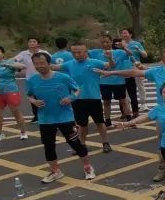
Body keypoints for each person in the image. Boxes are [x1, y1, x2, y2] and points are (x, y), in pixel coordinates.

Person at [25, 53, 95, 183]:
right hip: (45, 118)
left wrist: (70, 98)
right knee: (48, 146)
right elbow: (28, 95)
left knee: (75, 143)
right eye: (36, 64)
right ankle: (56, 171)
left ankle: (88, 167)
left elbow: (77, 89)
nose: (40, 66)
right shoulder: (32, 80)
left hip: (65, 117)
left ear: (49, 63)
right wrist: (34, 101)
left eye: (42, 63)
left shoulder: (63, 77)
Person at [59, 41, 112, 152]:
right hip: (77, 99)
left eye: (79, 52)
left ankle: (105, 143)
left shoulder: (94, 62)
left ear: (86, 52)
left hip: (94, 98)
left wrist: (110, 58)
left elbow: (110, 65)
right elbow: (54, 67)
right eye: (74, 53)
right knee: (82, 125)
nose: (76, 55)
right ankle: (81, 145)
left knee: (99, 122)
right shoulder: (69, 64)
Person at [0, 45, 29, 140]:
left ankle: (23, 132)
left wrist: (8, 64)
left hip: (10, 90)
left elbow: (23, 66)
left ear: (2, 53)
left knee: (16, 112)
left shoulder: (9, 62)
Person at [12, 37, 50, 123]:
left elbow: (51, 62)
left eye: (34, 41)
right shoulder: (24, 53)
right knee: (33, 97)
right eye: (30, 42)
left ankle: (47, 114)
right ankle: (36, 115)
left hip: (43, 78)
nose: (32, 43)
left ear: (38, 44)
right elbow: (13, 60)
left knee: (44, 96)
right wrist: (19, 67)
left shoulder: (44, 53)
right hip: (30, 79)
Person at [100, 38, 135, 127]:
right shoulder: (96, 52)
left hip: (118, 81)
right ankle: (107, 121)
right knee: (106, 102)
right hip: (104, 81)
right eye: (103, 42)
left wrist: (124, 47)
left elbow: (130, 54)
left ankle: (129, 120)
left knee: (123, 101)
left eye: (107, 42)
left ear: (111, 42)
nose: (105, 44)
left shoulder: (119, 52)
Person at [119, 28, 148, 114]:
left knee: (140, 85)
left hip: (136, 66)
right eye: (122, 33)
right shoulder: (120, 44)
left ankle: (143, 104)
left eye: (125, 33)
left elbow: (145, 55)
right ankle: (128, 105)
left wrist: (138, 49)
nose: (124, 35)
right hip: (124, 67)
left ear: (130, 34)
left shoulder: (136, 44)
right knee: (127, 88)